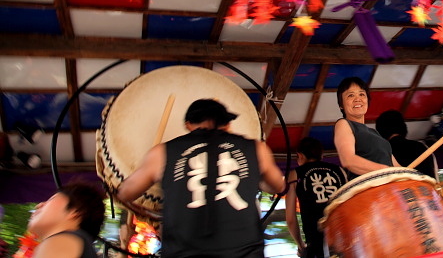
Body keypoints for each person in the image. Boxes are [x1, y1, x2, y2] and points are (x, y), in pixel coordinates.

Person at [117, 98, 285, 258]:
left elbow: (125, 192)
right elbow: (278, 186)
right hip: (245, 253)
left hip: (183, 252)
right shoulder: (255, 148)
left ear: (188, 125)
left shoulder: (162, 152)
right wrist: (252, 176)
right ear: (227, 124)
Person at [285, 137, 347, 258]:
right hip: (344, 233)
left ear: (300, 156)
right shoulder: (340, 171)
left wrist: (301, 246)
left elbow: (291, 219)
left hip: (316, 238)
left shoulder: (296, 174)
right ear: (321, 155)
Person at [333, 76, 399, 179]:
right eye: (350, 95)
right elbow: (348, 160)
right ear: (341, 104)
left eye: (362, 94)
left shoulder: (374, 133)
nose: (357, 99)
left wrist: (412, 174)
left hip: (389, 188)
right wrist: (384, 170)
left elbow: (396, 168)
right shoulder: (344, 124)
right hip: (368, 192)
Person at [26, 181, 105, 258]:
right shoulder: (76, 242)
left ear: (76, 211)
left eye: (50, 199)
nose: (39, 205)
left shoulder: (63, 241)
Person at [375, 109, 438, 178]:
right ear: (403, 127)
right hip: (429, 186)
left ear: (381, 133)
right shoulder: (421, 146)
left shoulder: (383, 153)